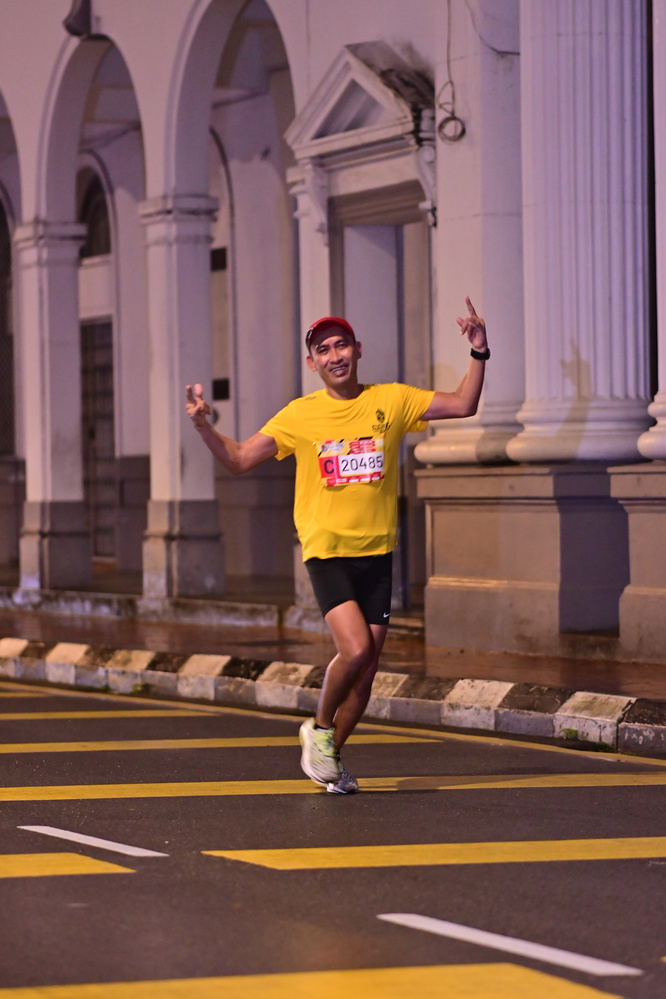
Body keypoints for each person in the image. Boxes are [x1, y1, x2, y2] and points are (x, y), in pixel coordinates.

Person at [185, 297, 489, 793]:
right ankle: (319, 729)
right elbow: (238, 459)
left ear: (357, 350)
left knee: (365, 674)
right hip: (327, 552)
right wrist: (203, 424)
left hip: (378, 554)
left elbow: (462, 404)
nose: (334, 355)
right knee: (356, 648)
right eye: (323, 350)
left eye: (341, 345)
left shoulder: (391, 401)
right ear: (313, 363)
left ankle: (330, 760)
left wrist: (478, 351)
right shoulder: (300, 415)